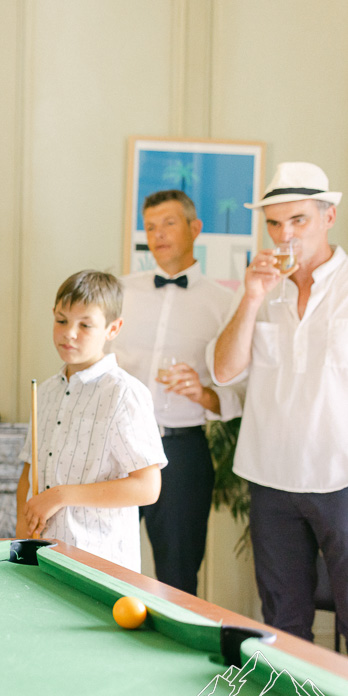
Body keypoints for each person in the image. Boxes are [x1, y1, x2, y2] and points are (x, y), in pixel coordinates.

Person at [209, 161, 348, 643]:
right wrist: (250, 298)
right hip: (271, 479)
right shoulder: (259, 289)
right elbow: (224, 372)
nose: (284, 235)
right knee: (284, 624)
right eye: (273, 223)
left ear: (329, 216)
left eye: (298, 220)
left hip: (341, 477)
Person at [114, 190, 243, 595]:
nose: (158, 234)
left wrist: (203, 393)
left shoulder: (226, 303)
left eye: (168, 223)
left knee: (179, 575)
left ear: (195, 228)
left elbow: (238, 389)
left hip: (183, 454)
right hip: (118, 448)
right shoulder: (120, 291)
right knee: (101, 561)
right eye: (150, 226)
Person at [17, 270, 166, 572]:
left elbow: (148, 488)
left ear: (113, 328)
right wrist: (22, 533)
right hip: (43, 557)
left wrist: (61, 494)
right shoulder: (44, 391)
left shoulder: (125, 393)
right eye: (61, 321)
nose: (69, 333)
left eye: (85, 325)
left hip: (100, 562)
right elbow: (30, 472)